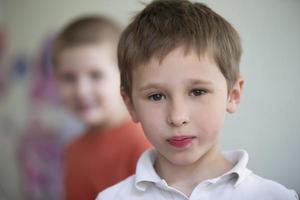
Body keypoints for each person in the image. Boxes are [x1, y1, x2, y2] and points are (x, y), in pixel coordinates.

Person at [95, 0, 299, 199]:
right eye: (156, 96)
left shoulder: (275, 196)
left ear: (233, 95)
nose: (177, 117)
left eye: (198, 92)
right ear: (130, 104)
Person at [52, 15, 151, 200]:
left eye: (95, 75)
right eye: (68, 77)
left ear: (125, 77)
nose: (81, 91)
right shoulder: (72, 150)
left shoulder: (144, 144)